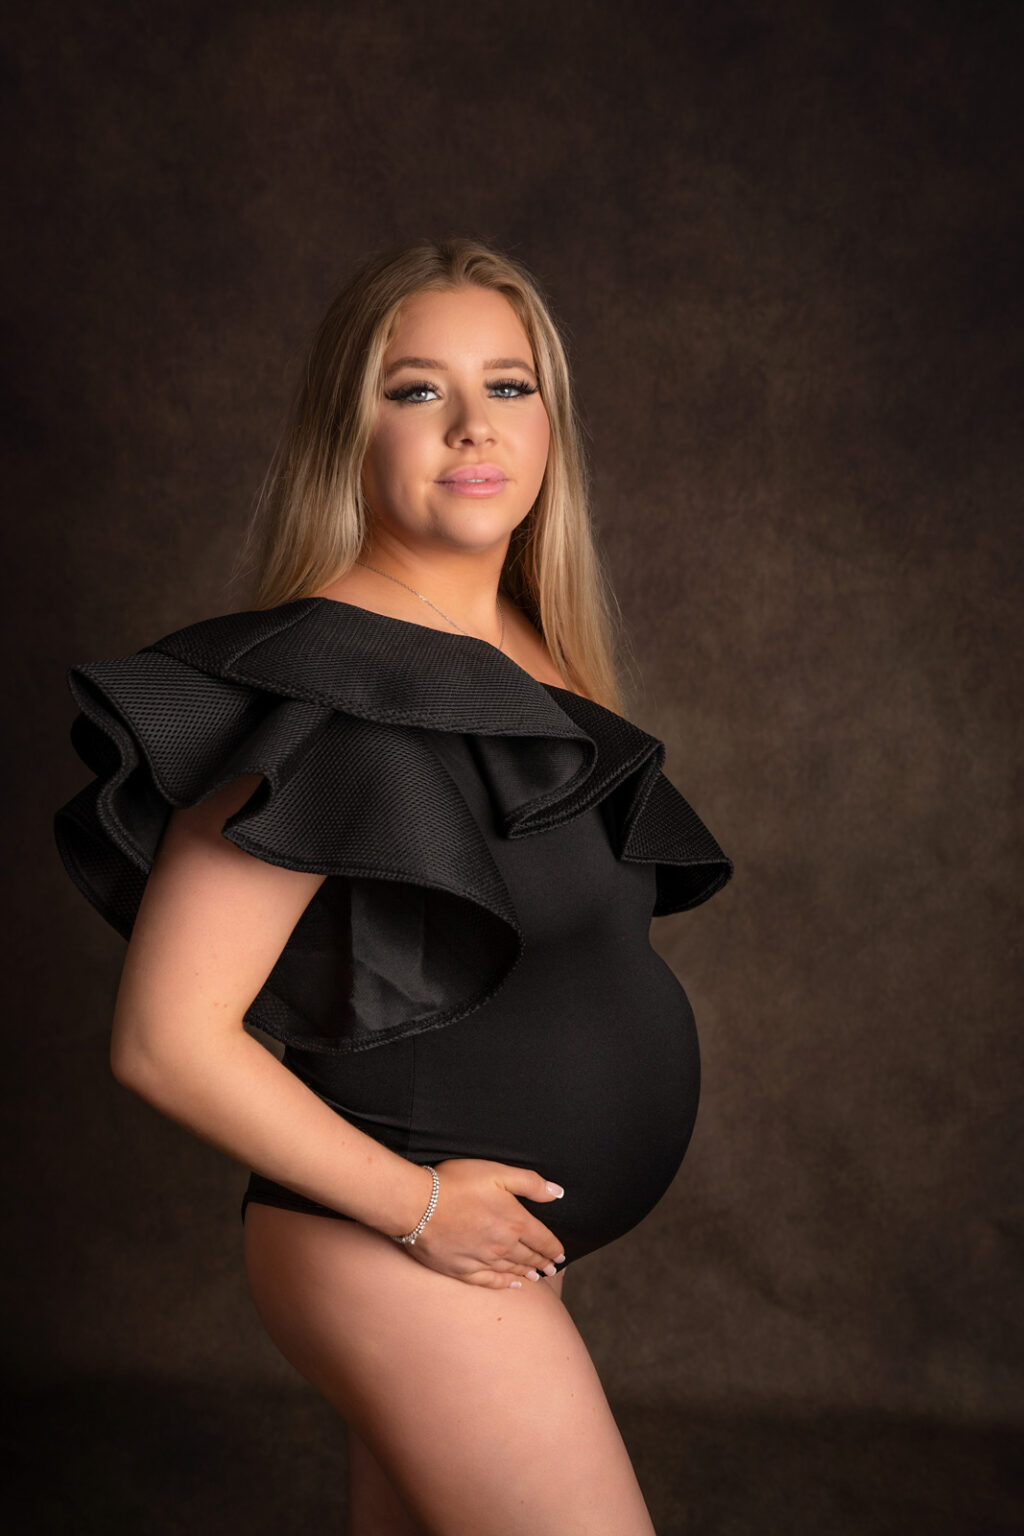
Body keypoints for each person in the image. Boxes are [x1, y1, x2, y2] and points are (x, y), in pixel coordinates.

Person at [54, 237, 733, 1536]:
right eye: (417, 389)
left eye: (512, 386)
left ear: (552, 423)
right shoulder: (322, 680)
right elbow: (164, 1041)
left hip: (478, 1251)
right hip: (390, 1243)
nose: (474, 427)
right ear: (347, 430)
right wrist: (425, 1211)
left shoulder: (539, 650)